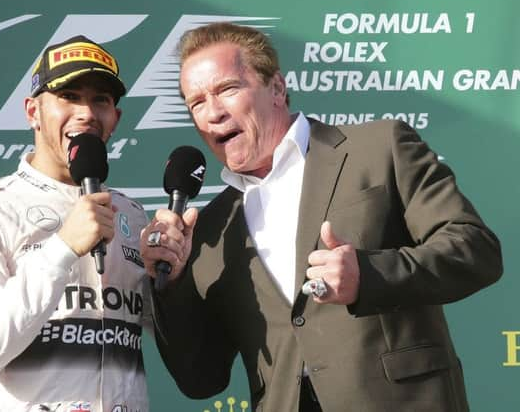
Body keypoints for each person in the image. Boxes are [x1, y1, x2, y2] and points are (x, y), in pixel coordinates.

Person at [140, 23, 503, 412]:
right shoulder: (212, 228)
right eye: (196, 102)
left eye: (227, 89)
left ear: (276, 88)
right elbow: (201, 379)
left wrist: (369, 275)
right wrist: (172, 284)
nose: (212, 113)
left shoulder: (380, 149)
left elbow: (475, 250)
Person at [0, 35, 151, 412]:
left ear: (115, 118)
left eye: (100, 99)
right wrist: (62, 249)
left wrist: (173, 280)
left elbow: (169, 340)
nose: (86, 112)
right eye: (69, 96)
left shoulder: (132, 215)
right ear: (33, 112)